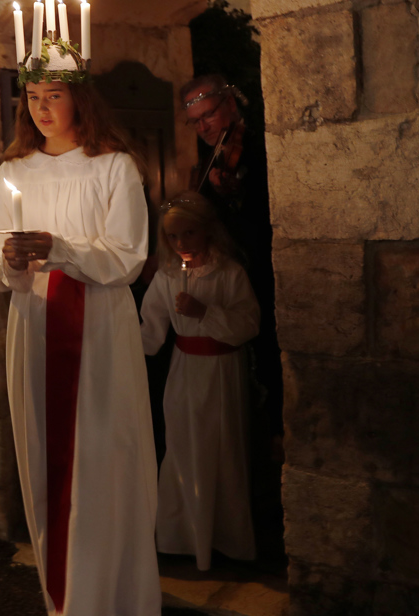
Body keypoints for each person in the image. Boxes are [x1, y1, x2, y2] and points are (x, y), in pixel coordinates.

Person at [0, 49, 161, 615]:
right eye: (32, 97)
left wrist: (61, 248)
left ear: (80, 96)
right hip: (34, 324)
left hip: (100, 329)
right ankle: (66, 600)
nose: (42, 108)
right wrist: (11, 257)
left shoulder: (114, 166)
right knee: (43, 454)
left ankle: (115, 598)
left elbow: (128, 258)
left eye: (54, 95)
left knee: (106, 457)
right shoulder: (12, 173)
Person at [140, 192, 260, 571]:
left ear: (207, 231)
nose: (181, 244)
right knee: (183, 446)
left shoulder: (229, 273)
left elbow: (248, 324)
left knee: (222, 450)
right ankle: (182, 538)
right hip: (184, 372)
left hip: (222, 373)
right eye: (173, 237)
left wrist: (205, 312)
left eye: (189, 233)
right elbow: (150, 331)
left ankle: (226, 540)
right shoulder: (167, 275)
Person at [180, 75, 279, 434]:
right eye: (195, 121)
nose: (203, 126)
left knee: (266, 359)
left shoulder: (255, 149)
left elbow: (263, 217)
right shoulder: (212, 159)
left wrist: (234, 196)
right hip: (226, 278)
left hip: (258, 275)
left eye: (208, 115)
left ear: (231, 106)